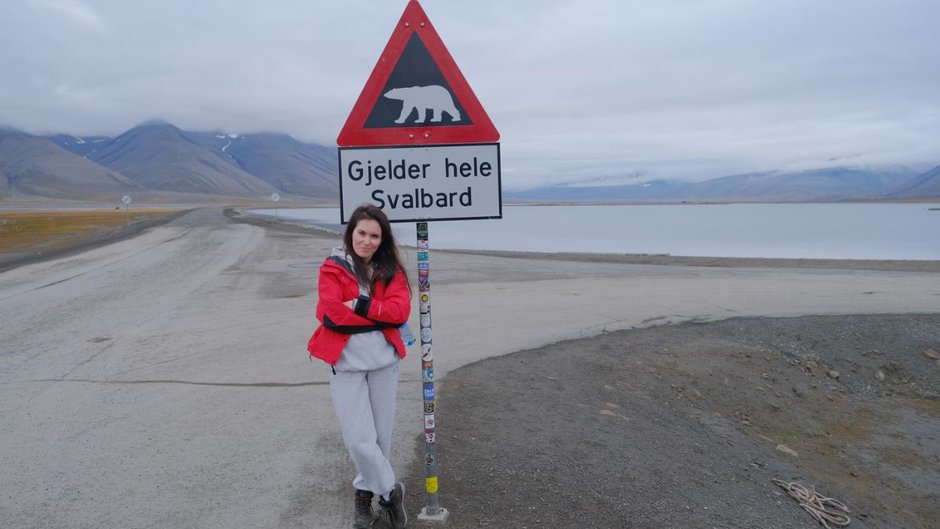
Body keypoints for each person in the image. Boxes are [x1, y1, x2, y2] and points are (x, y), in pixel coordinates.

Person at [307, 204, 411, 529]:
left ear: (383, 240)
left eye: (374, 236)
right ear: (351, 232)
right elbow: (331, 314)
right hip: (346, 362)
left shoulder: (392, 270)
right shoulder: (332, 268)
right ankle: (391, 493)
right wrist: (376, 316)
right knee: (358, 440)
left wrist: (362, 305)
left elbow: (400, 312)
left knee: (381, 438)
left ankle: (365, 495)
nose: (366, 241)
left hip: (383, 362)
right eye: (361, 233)